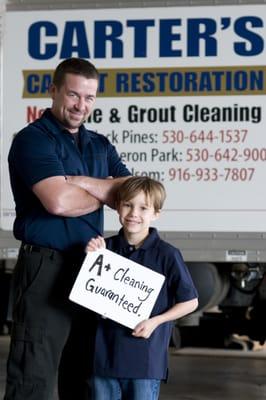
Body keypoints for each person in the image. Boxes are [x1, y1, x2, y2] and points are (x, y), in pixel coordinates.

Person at [5, 58, 131, 400]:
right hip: (45, 267)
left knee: (83, 374)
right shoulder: (32, 140)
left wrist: (82, 184)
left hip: (90, 267)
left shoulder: (100, 145)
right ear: (53, 91)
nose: (81, 105)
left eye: (89, 98)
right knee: (35, 376)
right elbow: (57, 202)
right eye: (73, 95)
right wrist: (106, 189)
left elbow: (132, 192)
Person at [86, 176, 198, 400]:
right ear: (118, 207)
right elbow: (89, 296)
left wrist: (155, 321)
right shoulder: (104, 249)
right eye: (127, 205)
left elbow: (190, 301)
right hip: (104, 358)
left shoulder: (167, 254)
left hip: (144, 362)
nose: (133, 213)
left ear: (156, 214)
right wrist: (90, 259)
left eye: (143, 208)